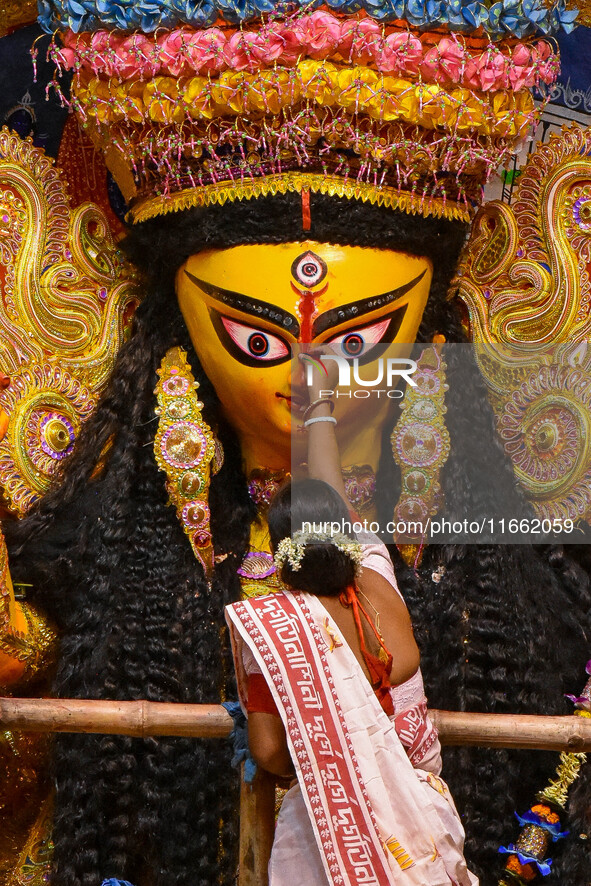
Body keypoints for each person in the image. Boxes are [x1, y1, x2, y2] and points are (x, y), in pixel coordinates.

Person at [1, 1, 590, 883]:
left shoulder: (486, 545)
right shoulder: (109, 528)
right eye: (258, 342)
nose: (308, 374)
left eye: (356, 342)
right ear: (177, 333)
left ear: (431, 333)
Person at [226, 361, 479, 885]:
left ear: (278, 554)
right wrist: (321, 403)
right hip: (422, 817)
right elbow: (330, 487)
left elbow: (270, 750)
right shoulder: (376, 578)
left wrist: (331, 761)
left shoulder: (276, 629)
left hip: (330, 831)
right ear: (346, 533)